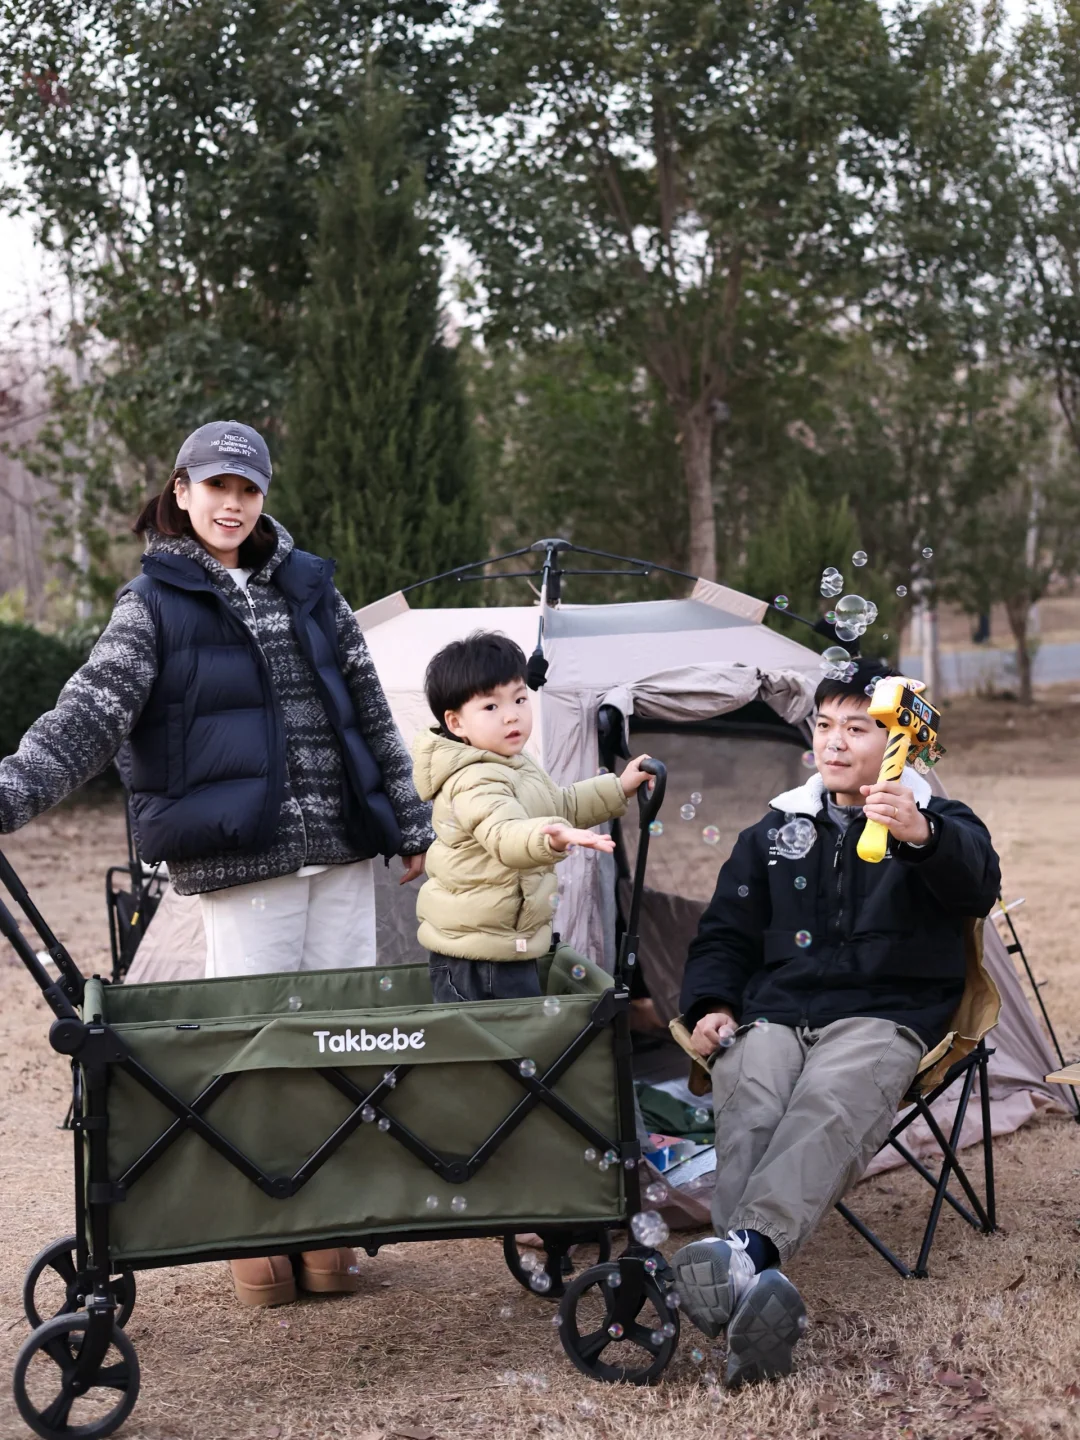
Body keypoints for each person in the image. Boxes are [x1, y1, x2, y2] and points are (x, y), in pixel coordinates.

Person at [0, 420, 433, 1308]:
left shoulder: (313, 589)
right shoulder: (152, 601)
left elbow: (371, 712)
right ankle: (255, 1228)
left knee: (341, 1045)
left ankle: (329, 1224)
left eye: (248, 489)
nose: (232, 504)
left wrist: (407, 815)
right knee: (256, 1053)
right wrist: (8, 791)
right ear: (182, 491)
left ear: (263, 498)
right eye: (216, 487)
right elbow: (90, 714)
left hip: (345, 853)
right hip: (245, 865)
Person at [670, 659, 1000, 1388]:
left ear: (902, 745)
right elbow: (725, 932)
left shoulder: (938, 822)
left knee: (826, 1104)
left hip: (886, 1016)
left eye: (859, 728)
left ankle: (744, 1253)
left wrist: (919, 835)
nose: (835, 743)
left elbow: (979, 883)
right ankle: (752, 1288)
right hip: (778, 1012)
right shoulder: (775, 830)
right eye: (824, 726)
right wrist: (712, 1005)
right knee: (752, 1103)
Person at [411, 631, 653, 1002]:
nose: (512, 715)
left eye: (520, 699)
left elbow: (561, 806)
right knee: (499, 1051)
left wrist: (619, 787)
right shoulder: (473, 778)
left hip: (506, 942)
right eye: (491, 707)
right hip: (478, 955)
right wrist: (551, 836)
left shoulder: (515, 763)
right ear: (456, 723)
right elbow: (505, 833)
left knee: (517, 1044)